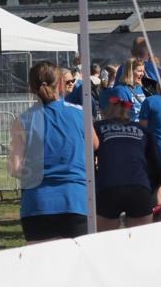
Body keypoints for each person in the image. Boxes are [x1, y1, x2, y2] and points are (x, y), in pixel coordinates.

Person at [8, 61, 96, 243]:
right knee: (78, 268)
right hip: (75, 201)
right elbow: (95, 144)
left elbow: (14, 168)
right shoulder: (80, 113)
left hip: (37, 203)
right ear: (61, 84)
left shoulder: (23, 120)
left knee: (41, 268)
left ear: (31, 88)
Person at [95, 96, 161, 231]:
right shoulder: (142, 130)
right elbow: (159, 166)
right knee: (140, 243)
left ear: (106, 112)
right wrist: (150, 187)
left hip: (108, 187)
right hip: (139, 186)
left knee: (106, 243)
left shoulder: (97, 127)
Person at [139, 69, 161, 202]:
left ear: (159, 84)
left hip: (157, 152)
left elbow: (142, 128)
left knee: (158, 187)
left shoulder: (150, 102)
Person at [105, 57, 147, 121]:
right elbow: (118, 116)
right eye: (139, 71)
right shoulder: (120, 91)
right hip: (130, 128)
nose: (142, 74)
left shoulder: (140, 88)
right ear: (130, 72)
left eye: (143, 71)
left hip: (141, 128)